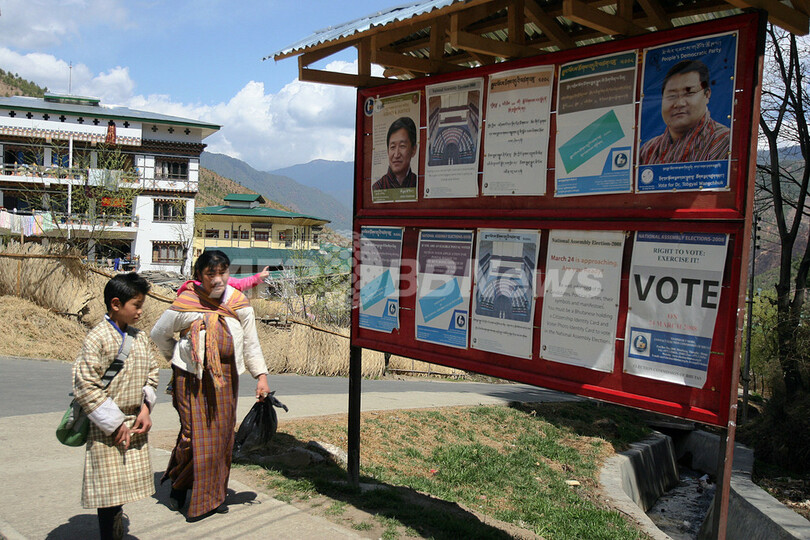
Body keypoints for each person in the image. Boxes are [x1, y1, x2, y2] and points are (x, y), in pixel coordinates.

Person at [151, 250, 271, 521]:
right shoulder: (187, 302)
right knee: (192, 436)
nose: (218, 279)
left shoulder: (239, 303)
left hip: (226, 380)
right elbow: (158, 333)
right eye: (210, 274)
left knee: (221, 438)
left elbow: (251, 343)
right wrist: (176, 357)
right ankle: (180, 483)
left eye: (222, 272)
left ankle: (214, 495)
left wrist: (261, 377)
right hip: (189, 378)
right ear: (199, 276)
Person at [72, 272, 158, 540]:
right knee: (108, 493)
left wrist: (146, 409)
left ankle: (117, 527)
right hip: (105, 429)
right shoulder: (97, 338)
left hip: (134, 423)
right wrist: (114, 423)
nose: (140, 311)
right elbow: (86, 385)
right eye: (137, 305)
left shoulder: (140, 337)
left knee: (122, 488)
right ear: (116, 304)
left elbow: (152, 373)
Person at [639, 59, 730, 165]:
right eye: (672, 95)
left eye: (689, 93)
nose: (679, 103)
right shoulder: (648, 150)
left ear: (707, 94)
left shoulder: (724, 142)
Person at [372, 116, 418, 191]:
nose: (396, 155)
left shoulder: (419, 184)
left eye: (402, 146)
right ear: (388, 151)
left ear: (414, 150)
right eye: (392, 147)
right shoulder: (378, 187)